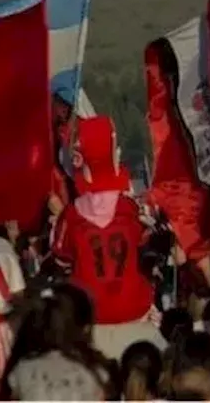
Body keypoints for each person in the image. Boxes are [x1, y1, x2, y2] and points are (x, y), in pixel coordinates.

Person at [50, 116, 164, 357]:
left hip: (90, 320)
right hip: (135, 311)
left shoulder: (71, 215)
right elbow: (150, 247)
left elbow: (61, 260)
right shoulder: (131, 209)